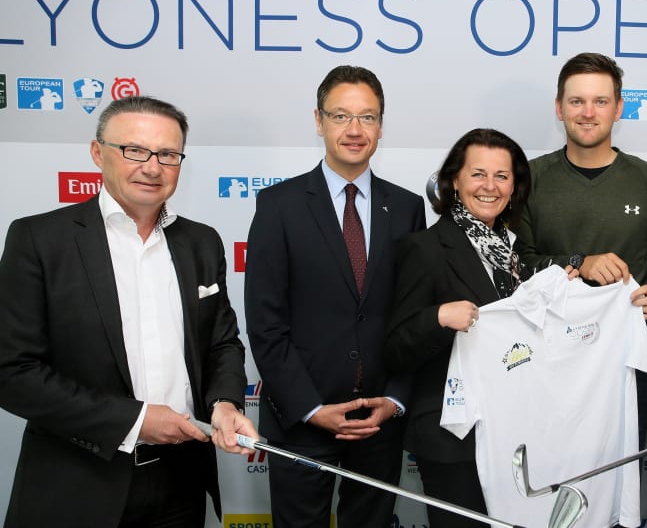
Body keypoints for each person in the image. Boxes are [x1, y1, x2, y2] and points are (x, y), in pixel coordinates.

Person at [0, 95, 259, 527]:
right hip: (78, 485)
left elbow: (222, 342)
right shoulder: (39, 240)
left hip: (182, 481)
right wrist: (134, 421)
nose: (153, 167)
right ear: (97, 152)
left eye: (168, 154)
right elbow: (12, 373)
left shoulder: (202, 242)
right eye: (135, 150)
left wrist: (225, 403)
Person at [245, 65, 426, 528]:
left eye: (367, 117)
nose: (354, 129)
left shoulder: (407, 208)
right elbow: (265, 323)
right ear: (318, 120)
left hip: (378, 422)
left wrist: (395, 400)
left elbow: (413, 317)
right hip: (302, 419)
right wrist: (310, 408)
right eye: (341, 115)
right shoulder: (278, 206)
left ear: (381, 126)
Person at [385, 128, 531, 527]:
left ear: (514, 186)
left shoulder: (516, 253)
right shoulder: (425, 248)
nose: (490, 186)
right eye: (478, 174)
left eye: (501, 176)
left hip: (514, 431)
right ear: (454, 181)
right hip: (453, 439)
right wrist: (437, 318)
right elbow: (395, 348)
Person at [514, 51, 647, 323]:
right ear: (559, 108)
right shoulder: (530, 178)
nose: (588, 113)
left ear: (618, 109)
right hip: (548, 336)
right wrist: (579, 263)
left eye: (601, 101)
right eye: (577, 101)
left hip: (627, 338)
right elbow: (518, 263)